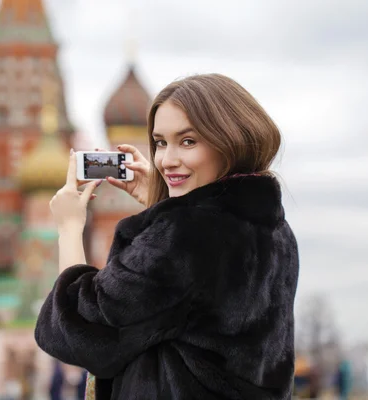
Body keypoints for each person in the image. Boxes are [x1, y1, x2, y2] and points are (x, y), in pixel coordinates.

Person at [34, 73, 299, 399]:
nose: (167, 161)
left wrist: (69, 228)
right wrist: (163, 206)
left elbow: (75, 329)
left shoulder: (184, 238)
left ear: (229, 141)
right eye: (160, 142)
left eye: (188, 141)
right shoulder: (274, 230)